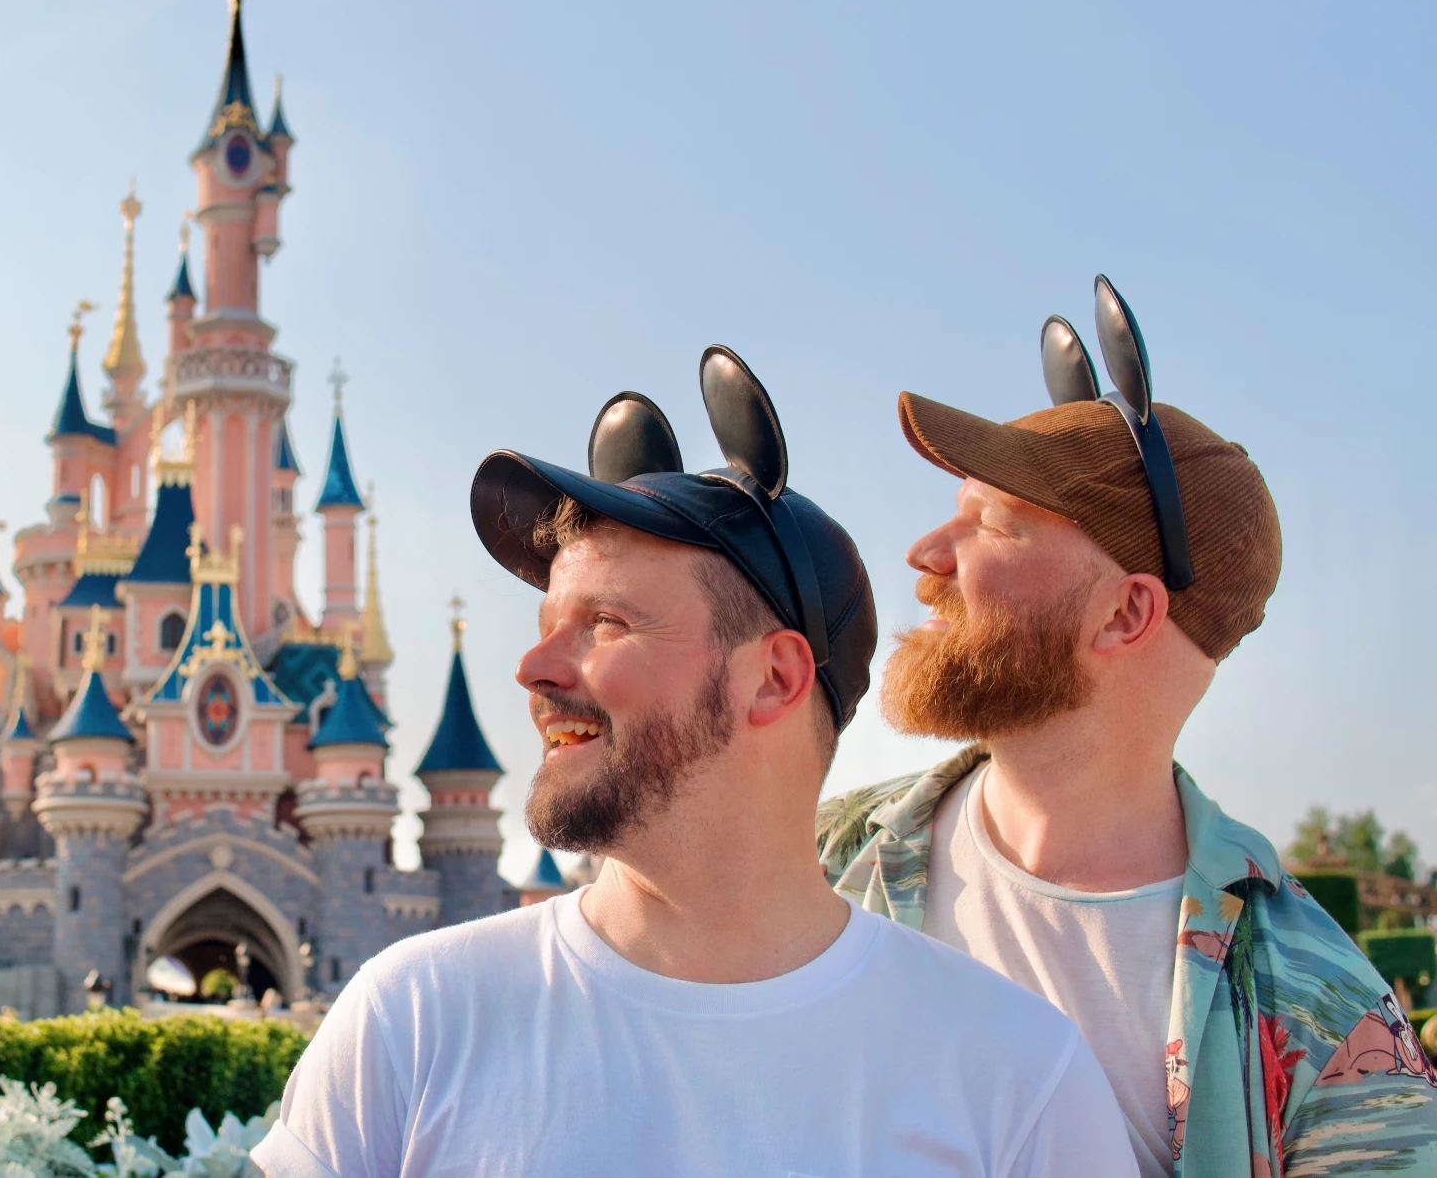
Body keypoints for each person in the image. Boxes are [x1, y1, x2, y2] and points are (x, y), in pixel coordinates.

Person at [255, 347, 1137, 1178]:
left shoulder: (1018, 1080)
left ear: (774, 677)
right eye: (545, 628)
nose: (534, 670)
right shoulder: (408, 1025)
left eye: (606, 624)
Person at [820, 278, 1437, 1177]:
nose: (924, 556)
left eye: (990, 523)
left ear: (1124, 616)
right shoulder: (818, 863)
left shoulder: (1328, 1017)